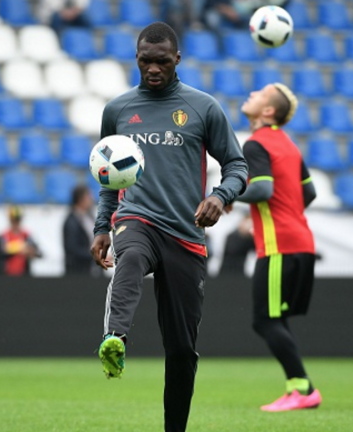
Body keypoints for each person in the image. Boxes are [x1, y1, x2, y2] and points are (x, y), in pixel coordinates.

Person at [91, 22, 247, 432]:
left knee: (181, 350)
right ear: (137, 58)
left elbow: (237, 165)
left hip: (185, 232)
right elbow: (109, 179)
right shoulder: (118, 110)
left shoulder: (202, 107)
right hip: (136, 217)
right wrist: (101, 227)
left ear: (177, 59)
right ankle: (115, 338)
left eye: (162, 61)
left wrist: (220, 196)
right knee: (131, 257)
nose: (154, 68)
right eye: (146, 61)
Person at [226, 83, 321, 412]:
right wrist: (286, 213)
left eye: (260, 94)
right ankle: (297, 388)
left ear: (268, 112)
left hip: (279, 245)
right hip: (301, 241)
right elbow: (309, 194)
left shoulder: (256, 143)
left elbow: (263, 190)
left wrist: (225, 195)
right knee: (275, 319)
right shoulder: (288, 145)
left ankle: (303, 388)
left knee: (264, 321)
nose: (251, 93)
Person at [0, 206, 42, 277]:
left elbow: (39, 253)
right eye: (13, 220)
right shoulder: (4, 236)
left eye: (18, 219)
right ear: (10, 220)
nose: (16, 222)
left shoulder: (26, 235)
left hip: (24, 275)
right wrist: (18, 247)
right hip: (6, 275)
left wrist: (30, 251)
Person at [62, 184, 95, 275]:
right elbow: (72, 249)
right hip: (78, 272)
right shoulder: (71, 222)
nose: (92, 199)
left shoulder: (89, 218)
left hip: (91, 269)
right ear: (81, 200)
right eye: (89, 197)